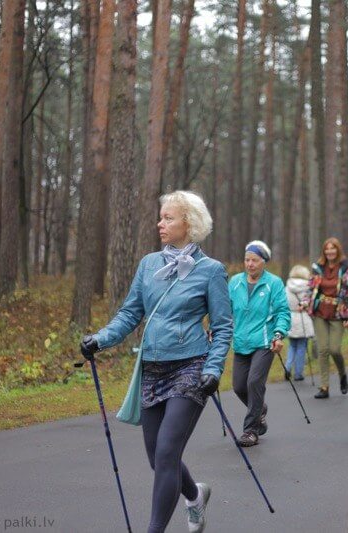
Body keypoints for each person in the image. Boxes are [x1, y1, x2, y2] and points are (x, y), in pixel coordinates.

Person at [80, 191, 233, 533]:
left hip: (191, 368)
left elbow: (223, 327)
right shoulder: (149, 264)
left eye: (168, 218)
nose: (160, 223)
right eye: (161, 217)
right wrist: (100, 339)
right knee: (157, 457)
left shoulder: (211, 271)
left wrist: (213, 368)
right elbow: (131, 313)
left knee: (166, 452)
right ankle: (194, 496)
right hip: (152, 367)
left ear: (188, 224)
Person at [229, 240, 291, 447]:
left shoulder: (273, 283)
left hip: (265, 342)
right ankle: (259, 409)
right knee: (238, 386)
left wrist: (279, 334)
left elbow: (282, 311)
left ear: (264, 261)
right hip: (241, 341)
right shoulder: (235, 282)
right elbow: (225, 311)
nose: (250, 264)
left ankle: (250, 430)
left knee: (254, 382)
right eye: (247, 260)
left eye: (254, 260)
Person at [309, 238, 348, 399]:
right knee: (322, 349)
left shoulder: (345, 267)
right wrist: (304, 302)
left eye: (333, 249)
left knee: (334, 349)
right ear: (324, 251)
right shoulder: (318, 267)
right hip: (320, 312)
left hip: (338, 312)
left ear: (338, 250)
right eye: (327, 249)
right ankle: (324, 386)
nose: (330, 252)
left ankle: (342, 374)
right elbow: (310, 288)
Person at [285, 265, 315, 381]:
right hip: (303, 318)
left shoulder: (287, 287)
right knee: (302, 346)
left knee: (292, 346)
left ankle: (287, 368)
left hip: (291, 317)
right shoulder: (308, 287)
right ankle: (298, 373)